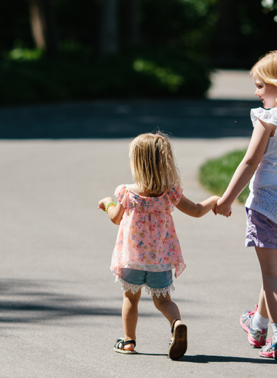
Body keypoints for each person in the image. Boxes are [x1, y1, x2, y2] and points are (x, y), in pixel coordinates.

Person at [98, 132, 219, 360]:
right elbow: (195, 210)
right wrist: (212, 200)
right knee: (163, 300)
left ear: (137, 163)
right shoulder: (169, 192)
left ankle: (128, 341)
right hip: (160, 261)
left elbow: (115, 217)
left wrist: (107, 202)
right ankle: (177, 323)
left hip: (132, 259)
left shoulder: (126, 192)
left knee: (130, 299)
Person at [214, 51, 277, 359]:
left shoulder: (267, 119)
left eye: (261, 85)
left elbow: (250, 161)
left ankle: (275, 337)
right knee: (273, 273)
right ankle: (258, 324)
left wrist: (226, 199)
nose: (256, 92)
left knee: (271, 276)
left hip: (266, 205)